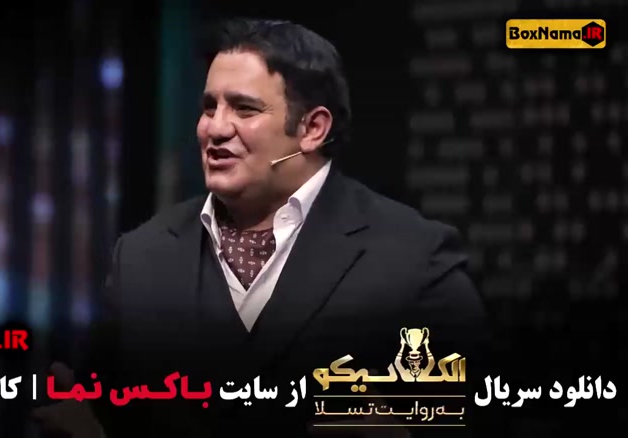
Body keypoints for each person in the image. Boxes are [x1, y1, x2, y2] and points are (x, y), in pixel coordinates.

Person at [34, 18, 489, 437]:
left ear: (312, 129)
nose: (215, 129)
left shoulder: (415, 258)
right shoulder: (141, 256)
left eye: (244, 109)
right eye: (209, 107)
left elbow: (479, 416)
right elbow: (107, 415)